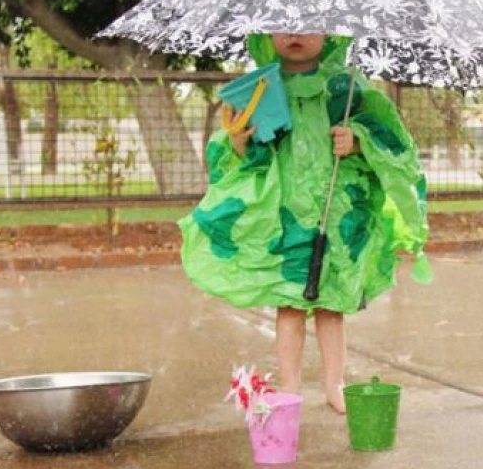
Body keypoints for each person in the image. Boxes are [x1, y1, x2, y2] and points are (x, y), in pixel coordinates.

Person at [179, 33, 430, 413]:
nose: (294, 35)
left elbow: (394, 144)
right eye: (283, 26)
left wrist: (358, 141)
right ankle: (291, 385)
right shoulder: (261, 88)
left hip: (336, 210)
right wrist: (240, 144)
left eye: (307, 26)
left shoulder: (346, 88)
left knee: (332, 305)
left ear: (329, 33)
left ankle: (335, 383)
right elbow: (238, 158)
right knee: (289, 304)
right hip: (285, 215)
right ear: (266, 34)